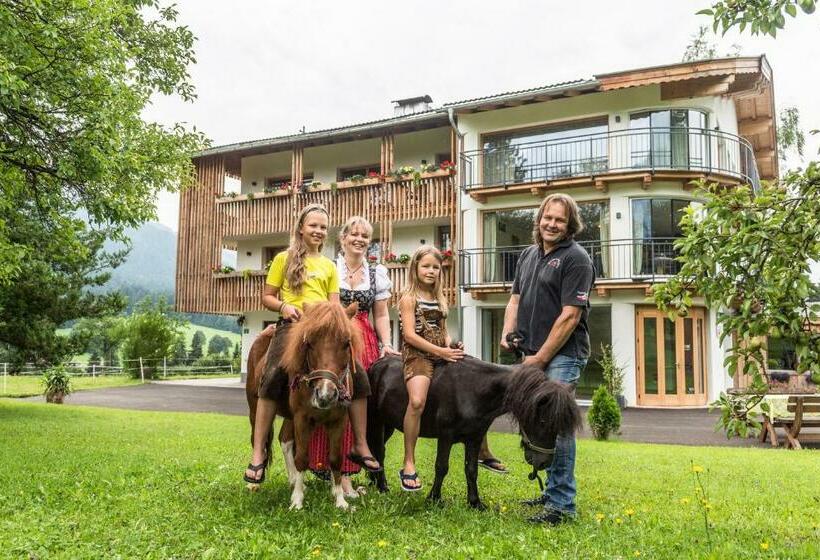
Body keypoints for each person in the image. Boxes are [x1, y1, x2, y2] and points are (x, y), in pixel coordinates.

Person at [243, 204, 380, 485]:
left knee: (359, 377)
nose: (318, 231)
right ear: (301, 228)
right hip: (292, 326)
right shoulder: (284, 258)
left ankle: (361, 444)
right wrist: (283, 308)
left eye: (322, 227)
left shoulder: (329, 265)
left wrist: (340, 320)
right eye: (313, 226)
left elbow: (332, 303)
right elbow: (266, 297)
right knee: (270, 377)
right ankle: (258, 452)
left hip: (321, 330)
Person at [500, 193, 594, 525]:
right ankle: (551, 491)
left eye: (560, 220)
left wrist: (540, 358)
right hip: (531, 353)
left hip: (563, 356)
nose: (552, 224)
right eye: (547, 218)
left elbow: (570, 316)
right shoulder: (528, 255)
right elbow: (515, 299)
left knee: (559, 425)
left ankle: (562, 505)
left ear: (570, 226)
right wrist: (508, 331)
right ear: (539, 219)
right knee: (539, 424)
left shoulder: (577, 259)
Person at [308, 216, 399, 496]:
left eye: (365, 236)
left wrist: (387, 343)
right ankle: (340, 473)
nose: (359, 239)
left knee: (365, 406)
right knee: (338, 401)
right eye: (354, 234)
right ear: (343, 238)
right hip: (336, 338)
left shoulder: (376, 272)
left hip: (366, 340)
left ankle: (365, 464)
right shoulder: (330, 267)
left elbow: (381, 313)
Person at [398, 245, 465, 491]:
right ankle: (408, 462)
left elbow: (444, 332)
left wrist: (451, 346)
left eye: (436, 267)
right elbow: (409, 336)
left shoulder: (439, 297)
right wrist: (440, 352)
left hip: (441, 352)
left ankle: (482, 449)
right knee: (417, 401)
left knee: (473, 384)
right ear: (415, 268)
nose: (431, 271)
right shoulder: (408, 297)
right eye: (426, 266)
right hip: (417, 355)